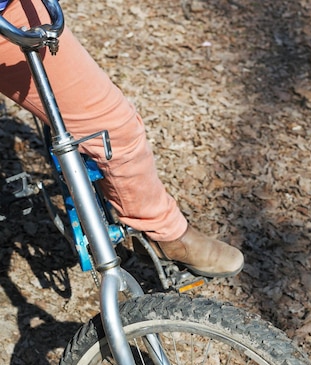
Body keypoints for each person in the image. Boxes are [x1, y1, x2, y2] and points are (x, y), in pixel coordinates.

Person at [0, 0, 244, 278]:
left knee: (110, 128)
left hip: (12, 15)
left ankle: (162, 231)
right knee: (113, 130)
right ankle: (163, 230)